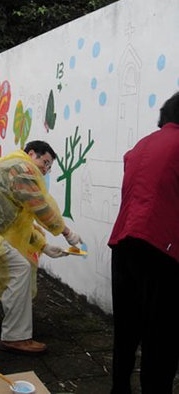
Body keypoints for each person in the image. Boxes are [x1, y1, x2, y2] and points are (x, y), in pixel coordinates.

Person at [0, 140, 83, 354]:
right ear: (31, 153)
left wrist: (44, 246)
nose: (45, 169)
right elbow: (40, 207)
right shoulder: (22, 168)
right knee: (19, 269)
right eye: (44, 162)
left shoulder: (11, 167)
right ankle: (16, 337)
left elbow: (20, 223)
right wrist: (66, 232)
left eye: (49, 166)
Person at [108, 91, 179, 394]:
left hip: (124, 243)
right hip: (161, 249)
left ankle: (119, 388)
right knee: (161, 336)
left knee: (127, 328)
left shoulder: (140, 145)